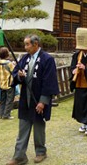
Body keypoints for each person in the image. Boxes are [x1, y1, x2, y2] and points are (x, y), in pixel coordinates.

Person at [7, 34, 60, 165]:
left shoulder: (47, 59)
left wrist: (43, 101)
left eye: (27, 44)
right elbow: (15, 75)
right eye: (25, 44)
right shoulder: (24, 58)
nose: (25, 47)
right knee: (23, 128)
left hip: (38, 99)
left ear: (36, 44)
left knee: (38, 128)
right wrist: (19, 76)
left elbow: (49, 82)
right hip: (26, 99)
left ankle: (41, 152)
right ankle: (19, 156)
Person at [0, 47, 16, 119]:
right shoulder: (9, 64)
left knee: (3, 100)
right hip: (9, 84)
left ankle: (1, 114)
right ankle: (6, 115)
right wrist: (14, 64)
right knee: (9, 100)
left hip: (1, 84)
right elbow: (14, 71)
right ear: (7, 54)